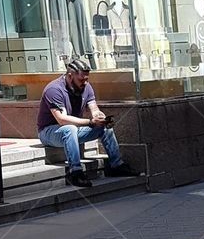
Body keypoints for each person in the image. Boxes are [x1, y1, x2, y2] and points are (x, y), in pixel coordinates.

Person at [36, 58, 134, 188]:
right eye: (81, 80)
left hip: (74, 129)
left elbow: (94, 108)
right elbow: (62, 119)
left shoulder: (86, 87)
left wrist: (100, 118)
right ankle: (75, 172)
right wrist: (90, 122)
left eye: (87, 79)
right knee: (69, 128)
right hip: (48, 132)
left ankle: (117, 165)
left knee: (104, 127)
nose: (85, 83)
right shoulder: (53, 90)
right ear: (70, 76)